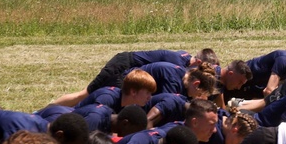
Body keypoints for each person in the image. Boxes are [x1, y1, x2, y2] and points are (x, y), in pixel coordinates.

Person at [50, 49, 200, 107]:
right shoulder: (177, 64)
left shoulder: (185, 57)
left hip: (131, 70)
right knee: (85, 94)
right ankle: (45, 112)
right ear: (198, 63)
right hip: (123, 66)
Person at [73, 69, 157, 111]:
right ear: (133, 92)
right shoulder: (107, 99)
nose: (150, 97)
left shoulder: (128, 104)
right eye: (147, 93)